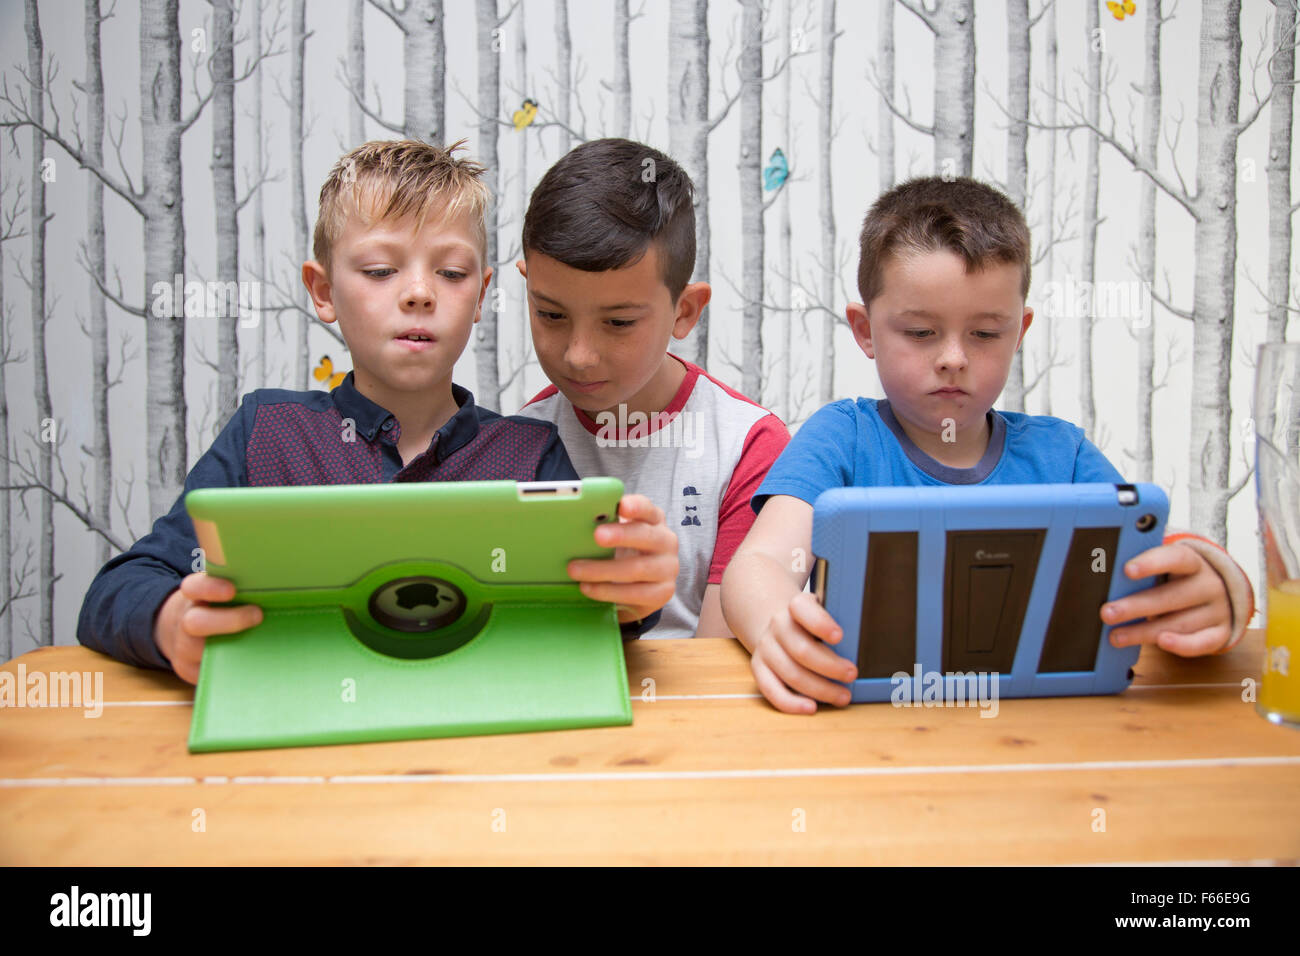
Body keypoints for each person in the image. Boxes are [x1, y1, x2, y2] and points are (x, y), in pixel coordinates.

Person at [78, 139, 677, 684]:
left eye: (450, 272)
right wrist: (170, 622)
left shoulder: (530, 452)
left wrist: (634, 594)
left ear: (481, 296)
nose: (419, 293)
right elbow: (118, 590)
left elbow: (592, 613)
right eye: (380, 270)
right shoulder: (265, 435)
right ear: (323, 291)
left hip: (478, 746)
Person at [722, 176, 1255, 714]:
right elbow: (761, 562)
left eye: (984, 334)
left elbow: (1154, 561)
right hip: (863, 724)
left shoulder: (1062, 455)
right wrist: (776, 628)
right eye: (921, 332)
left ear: (1019, 332)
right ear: (865, 330)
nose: (953, 357)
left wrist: (1215, 584)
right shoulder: (841, 437)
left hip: (1043, 730)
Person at [517, 138, 789, 639]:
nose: (579, 354)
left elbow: (718, 673)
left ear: (684, 311)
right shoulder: (516, 439)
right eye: (551, 314)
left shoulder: (748, 446)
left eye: (618, 322)